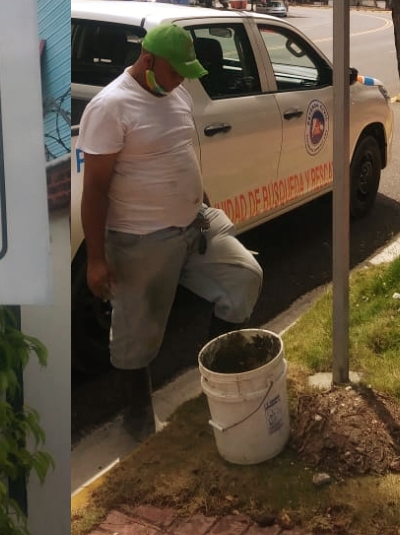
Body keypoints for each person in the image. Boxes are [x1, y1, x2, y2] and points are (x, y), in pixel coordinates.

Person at [76, 23, 263, 440]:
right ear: (147, 60)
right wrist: (96, 260)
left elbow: (180, 149)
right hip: (141, 238)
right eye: (175, 71)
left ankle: (215, 384)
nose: (180, 80)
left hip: (195, 222)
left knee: (243, 278)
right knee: (136, 337)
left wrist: (199, 196)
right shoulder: (111, 107)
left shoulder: (176, 93)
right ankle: (138, 420)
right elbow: (95, 190)